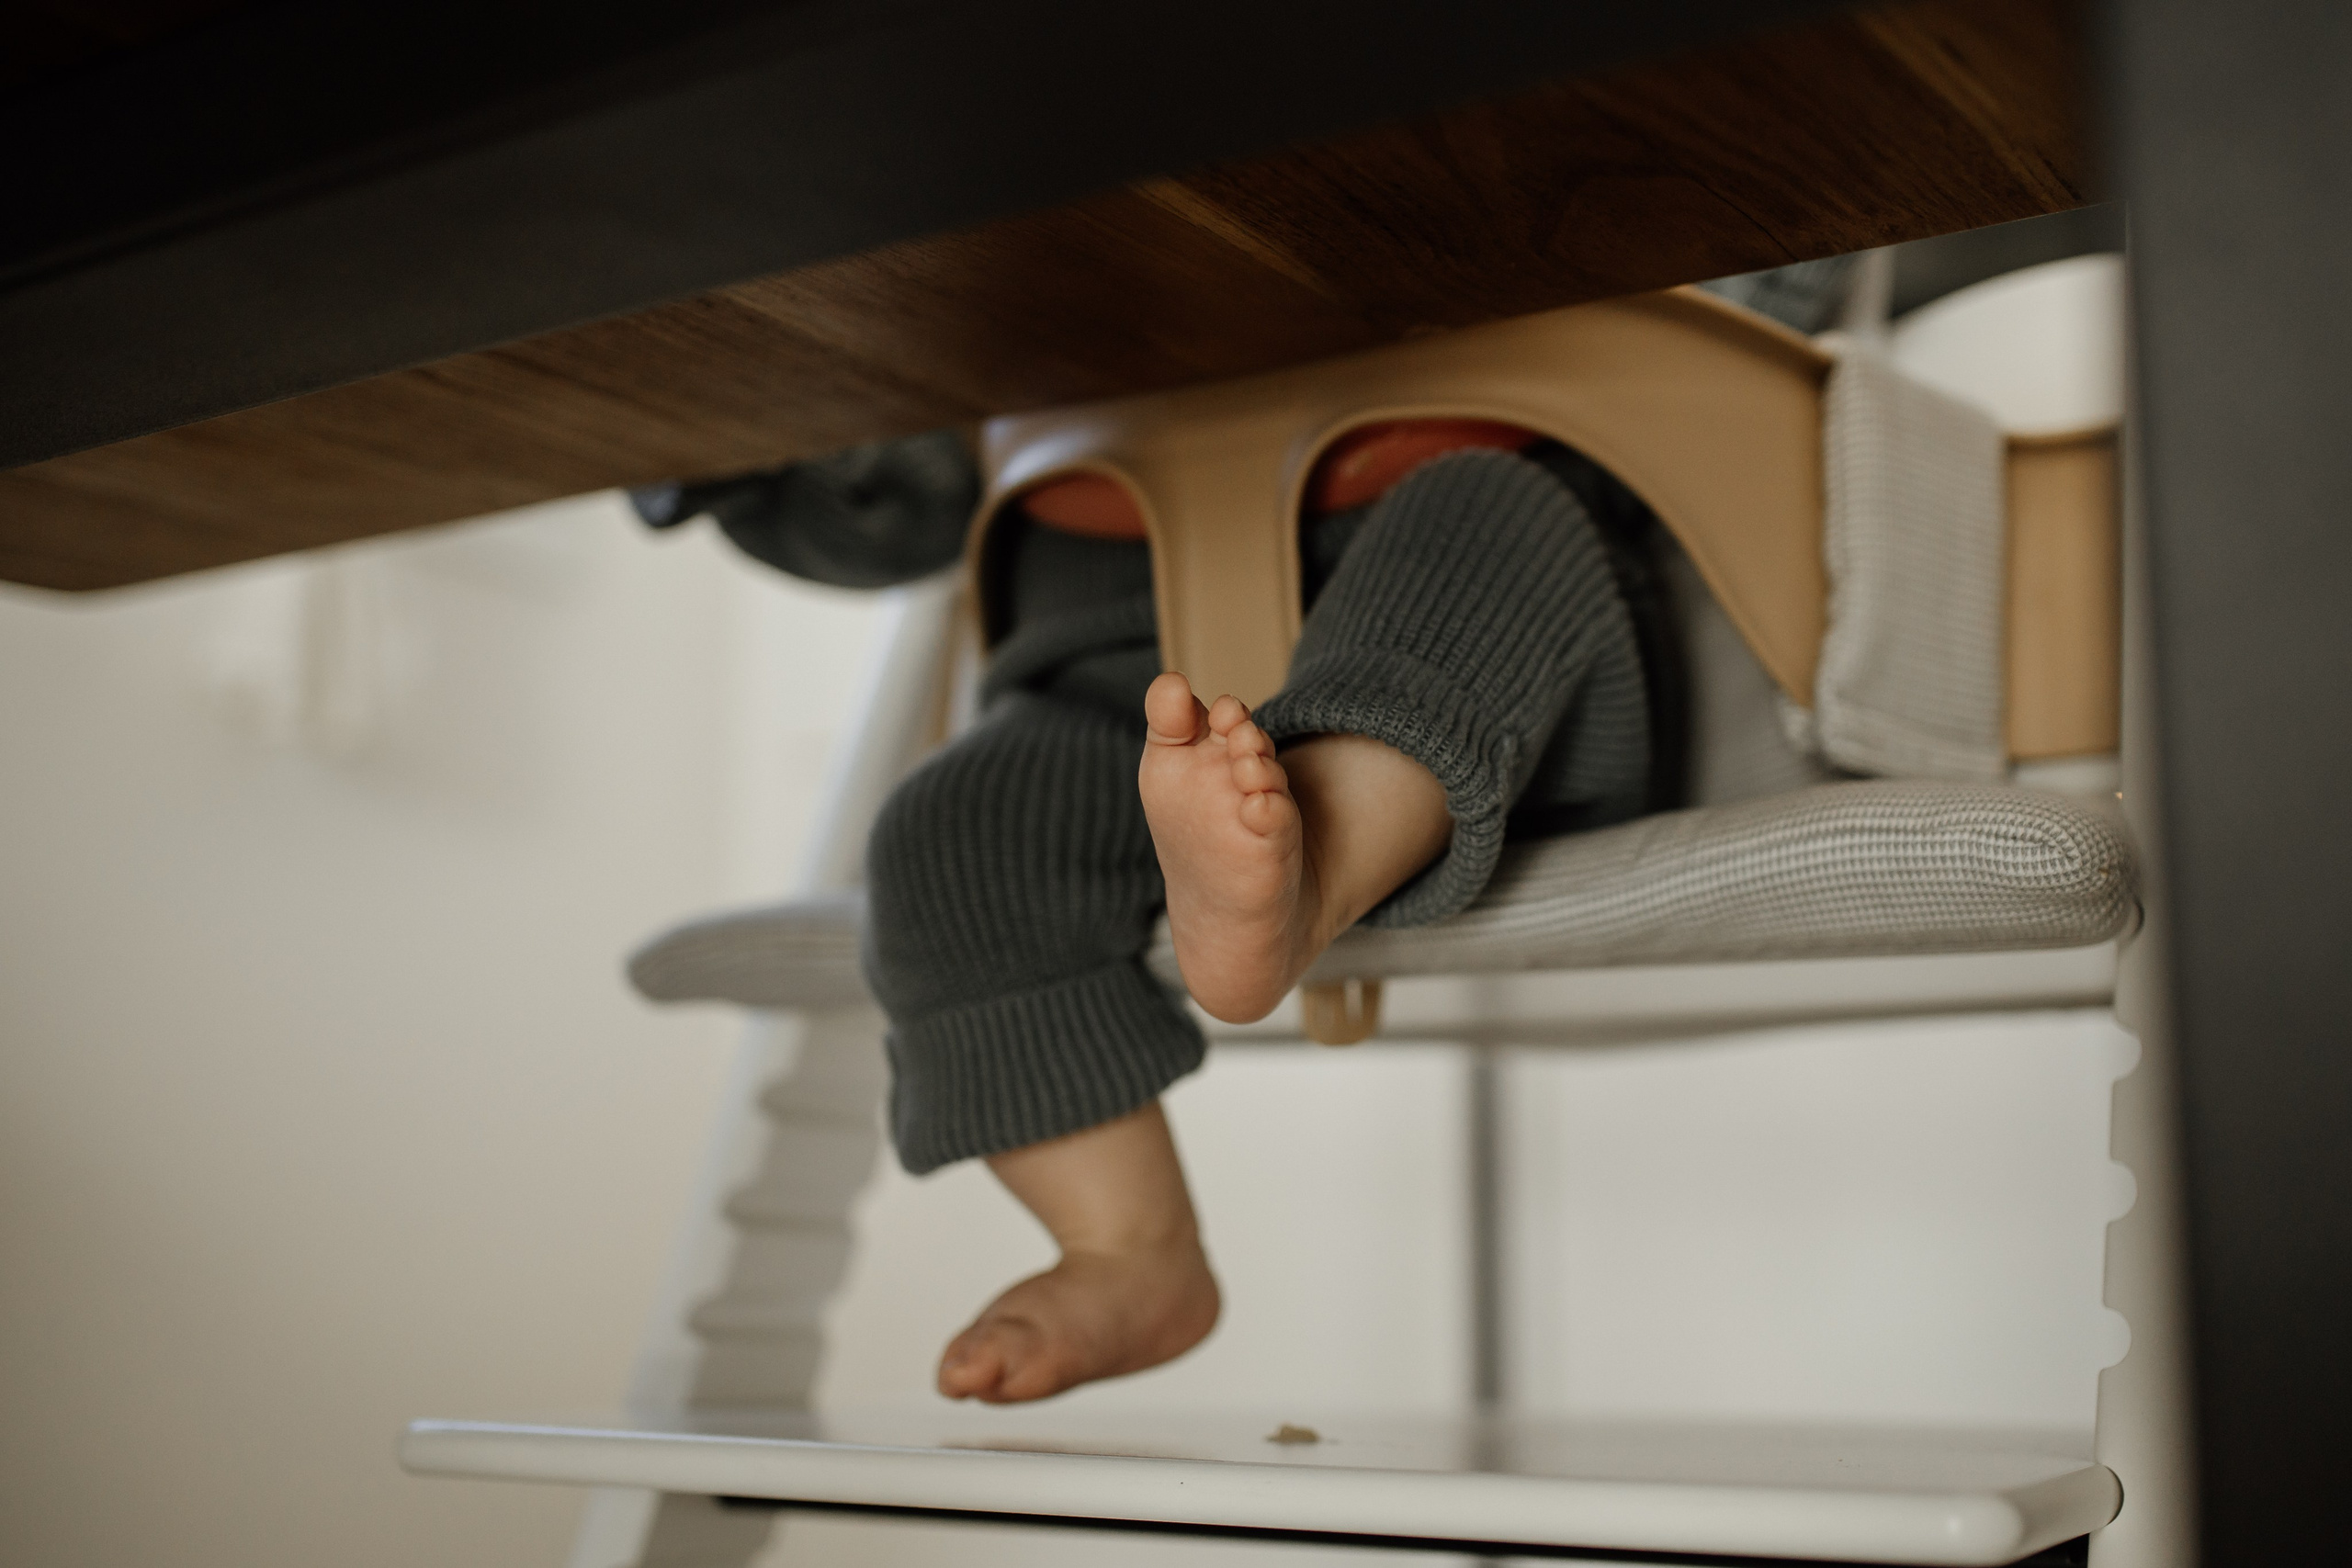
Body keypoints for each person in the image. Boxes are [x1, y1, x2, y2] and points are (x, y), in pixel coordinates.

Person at [639, 422, 1681, 1403]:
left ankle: (1319, 844)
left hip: (1482, 603)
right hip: (1116, 667)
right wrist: (735, 445)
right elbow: (895, 511)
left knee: (1477, 512)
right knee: (948, 837)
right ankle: (1126, 1249)